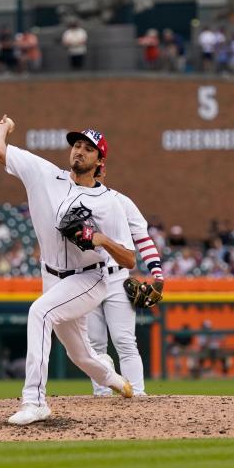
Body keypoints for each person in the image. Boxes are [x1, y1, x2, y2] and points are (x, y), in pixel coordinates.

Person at [0, 117, 135, 425]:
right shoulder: (44, 174)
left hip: (88, 278)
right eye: (77, 145)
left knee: (40, 313)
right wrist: (4, 127)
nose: (79, 151)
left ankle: (35, 401)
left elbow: (130, 260)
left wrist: (102, 239)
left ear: (100, 161)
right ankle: (114, 379)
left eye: (88, 148)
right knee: (79, 354)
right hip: (51, 275)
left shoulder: (109, 203)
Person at [87, 167, 164, 398]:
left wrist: (157, 274)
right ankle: (102, 395)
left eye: (98, 170)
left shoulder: (120, 201)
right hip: (83, 277)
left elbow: (142, 237)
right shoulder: (71, 199)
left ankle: (137, 395)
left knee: (124, 341)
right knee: (94, 344)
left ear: (103, 170)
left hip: (116, 275)